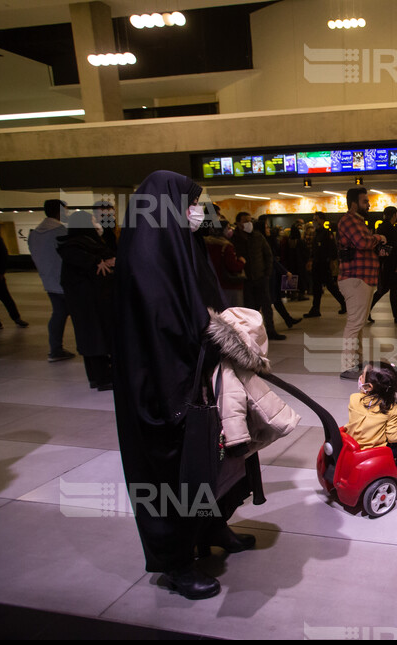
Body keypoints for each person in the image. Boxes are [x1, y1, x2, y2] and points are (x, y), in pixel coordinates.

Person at [112, 170, 263, 600]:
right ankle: (176, 562)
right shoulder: (147, 255)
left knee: (215, 460)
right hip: (165, 386)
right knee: (175, 472)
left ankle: (213, 527)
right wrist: (211, 337)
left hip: (201, 376)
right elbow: (161, 329)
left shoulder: (183, 245)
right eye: (193, 203)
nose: (199, 212)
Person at [56, 211, 116, 391]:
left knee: (92, 339)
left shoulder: (79, 245)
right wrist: (99, 261)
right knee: (95, 339)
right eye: (92, 221)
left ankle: (98, 377)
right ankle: (102, 378)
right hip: (91, 305)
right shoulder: (77, 247)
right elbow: (99, 265)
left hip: (88, 304)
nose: (96, 224)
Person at [337, 187, 386, 380]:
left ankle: (356, 362)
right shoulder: (349, 220)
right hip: (355, 278)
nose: (369, 204)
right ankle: (348, 366)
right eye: (365, 201)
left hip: (361, 278)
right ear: (354, 203)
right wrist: (379, 238)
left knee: (358, 324)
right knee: (354, 325)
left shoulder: (359, 222)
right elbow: (363, 242)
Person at [345, 361, 397, 468]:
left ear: (369, 386)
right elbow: (393, 437)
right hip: (374, 452)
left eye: (362, 376)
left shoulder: (354, 398)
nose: (360, 377)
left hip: (353, 446)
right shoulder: (391, 409)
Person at [28, 199, 74, 361]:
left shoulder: (35, 233)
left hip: (49, 280)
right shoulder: (60, 231)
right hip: (66, 281)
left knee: (59, 313)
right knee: (76, 314)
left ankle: (55, 348)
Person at [369, 206, 397, 323]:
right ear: (394, 215)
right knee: (387, 290)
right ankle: (396, 316)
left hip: (386, 264)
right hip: (390, 265)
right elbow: (392, 249)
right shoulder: (389, 229)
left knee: (390, 290)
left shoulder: (383, 227)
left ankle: (396, 315)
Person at [305, 213, 347, 317]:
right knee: (317, 288)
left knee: (330, 287)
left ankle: (344, 303)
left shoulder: (327, 233)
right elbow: (314, 249)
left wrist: (332, 262)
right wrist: (311, 260)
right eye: (314, 219)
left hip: (324, 264)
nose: (314, 221)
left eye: (317, 219)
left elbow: (332, 249)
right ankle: (315, 309)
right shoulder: (316, 233)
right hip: (317, 264)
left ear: (323, 220)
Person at [203, 219, 246, 308]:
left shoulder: (205, 244)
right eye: (228, 228)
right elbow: (233, 266)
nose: (231, 230)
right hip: (230, 284)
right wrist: (241, 262)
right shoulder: (226, 246)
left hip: (213, 283)